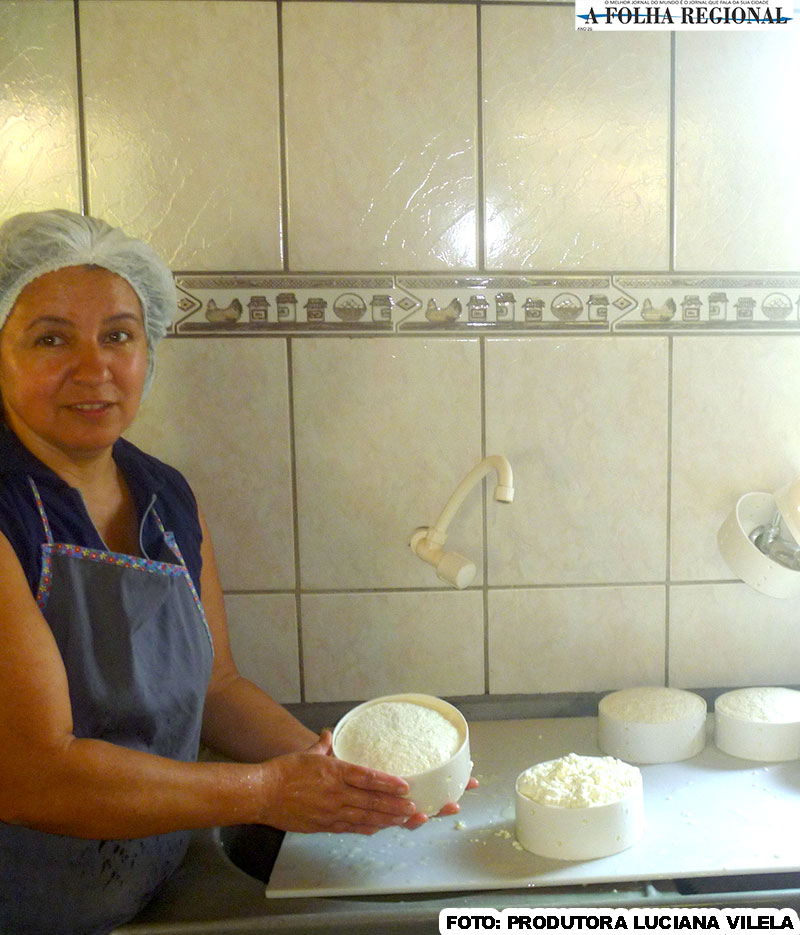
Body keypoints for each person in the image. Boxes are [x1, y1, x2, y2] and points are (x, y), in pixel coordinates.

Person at [0, 210, 472, 935]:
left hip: (146, 887)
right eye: (51, 338)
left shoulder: (164, 496)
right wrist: (265, 790)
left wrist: (350, 774)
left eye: (118, 336)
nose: (94, 369)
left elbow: (217, 687)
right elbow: (33, 774)